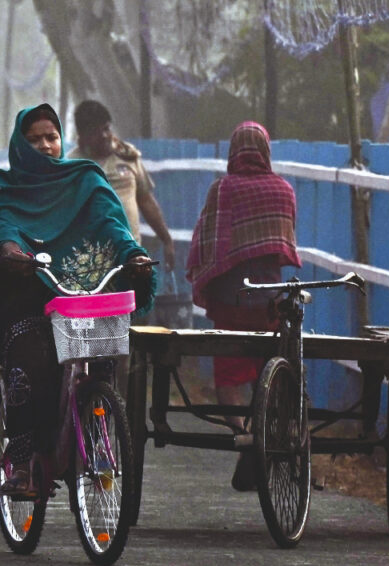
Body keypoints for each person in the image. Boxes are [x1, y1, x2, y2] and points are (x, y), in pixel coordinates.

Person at [0, 103, 155, 496]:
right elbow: (3, 224)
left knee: (104, 360)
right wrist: (11, 251)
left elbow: (111, 224)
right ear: (20, 145)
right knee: (31, 358)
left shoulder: (86, 178)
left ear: (62, 139)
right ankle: (23, 464)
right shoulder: (3, 185)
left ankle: (95, 435)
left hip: (80, 292)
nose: (45, 145)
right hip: (23, 292)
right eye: (34, 139)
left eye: (51, 136)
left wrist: (133, 255)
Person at [186, 121, 300, 492]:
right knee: (268, 364)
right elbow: (283, 245)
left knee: (229, 374)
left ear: (233, 151)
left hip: (231, 301)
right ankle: (266, 427)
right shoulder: (283, 190)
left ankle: (243, 435)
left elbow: (210, 243)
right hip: (269, 301)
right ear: (265, 150)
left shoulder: (223, 190)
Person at [68, 99, 175, 270]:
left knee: (134, 297)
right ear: (83, 137)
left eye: (106, 128)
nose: (104, 135)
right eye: (96, 132)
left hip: (131, 257)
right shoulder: (71, 165)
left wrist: (167, 240)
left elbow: (146, 200)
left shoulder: (127, 156)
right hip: (90, 261)